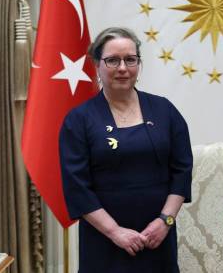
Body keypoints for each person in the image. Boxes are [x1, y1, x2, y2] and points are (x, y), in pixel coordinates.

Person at [59, 27, 192, 272]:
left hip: (157, 237)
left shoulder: (165, 110)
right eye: (112, 60)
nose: (123, 68)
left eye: (130, 59)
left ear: (138, 64)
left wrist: (165, 221)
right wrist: (115, 232)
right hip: (104, 242)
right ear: (97, 64)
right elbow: (76, 186)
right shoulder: (79, 119)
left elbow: (182, 170)